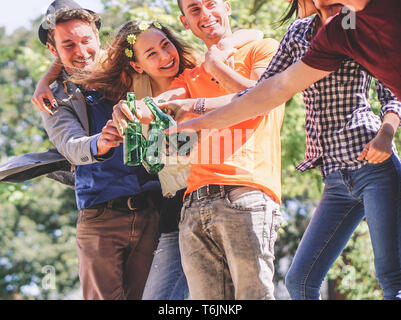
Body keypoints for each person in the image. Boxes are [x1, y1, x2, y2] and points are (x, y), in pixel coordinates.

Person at [165, 0, 401, 299]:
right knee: (300, 283)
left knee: (392, 279)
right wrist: (196, 115)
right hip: (334, 176)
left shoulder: (353, 24)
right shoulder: (300, 33)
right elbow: (261, 92)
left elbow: (389, 88)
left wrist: (386, 133)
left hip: (372, 165)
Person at [114, 0, 284, 300]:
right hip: (194, 204)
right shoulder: (189, 78)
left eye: (210, 4)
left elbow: (258, 98)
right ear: (185, 22)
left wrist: (215, 66)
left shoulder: (263, 48)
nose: (205, 14)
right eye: (194, 9)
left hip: (246, 191)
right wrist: (127, 110)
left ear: (227, 7)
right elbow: (161, 103)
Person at [35, 0, 163, 300]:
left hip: (152, 209)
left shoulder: (126, 69)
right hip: (100, 218)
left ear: (97, 37)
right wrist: (100, 143)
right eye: (68, 45)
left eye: (86, 40)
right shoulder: (53, 99)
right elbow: (70, 145)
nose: (81, 51)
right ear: (54, 51)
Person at [166, 0, 401, 134]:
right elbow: (272, 90)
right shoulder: (334, 34)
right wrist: (192, 120)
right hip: (334, 169)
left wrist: (387, 131)